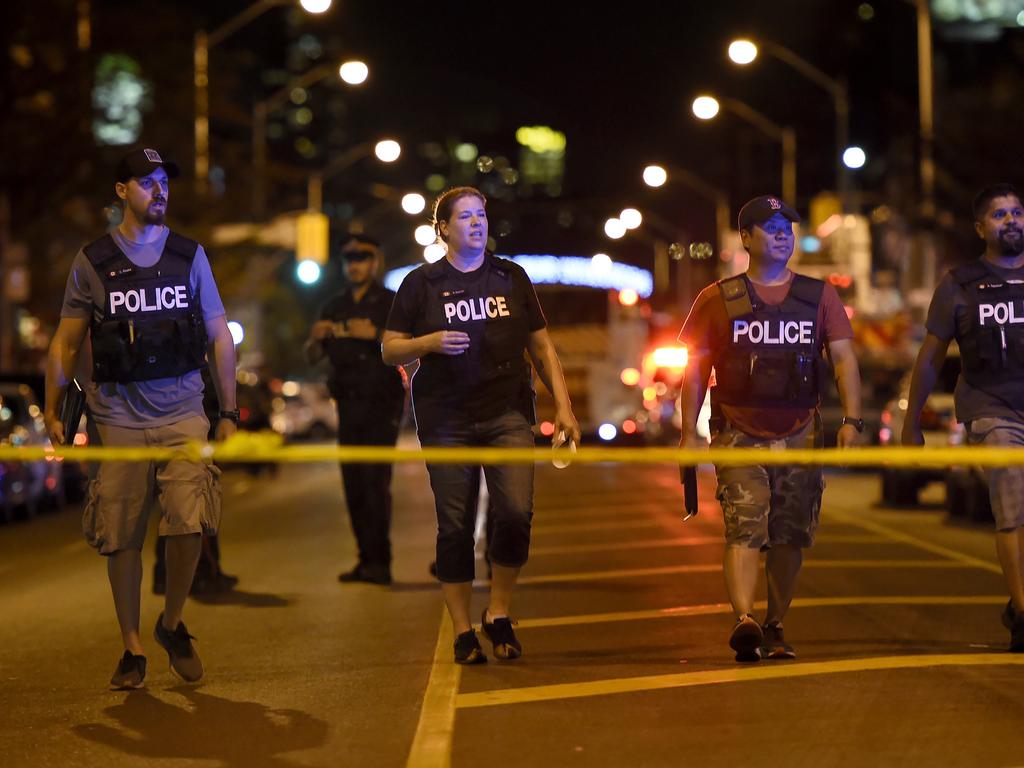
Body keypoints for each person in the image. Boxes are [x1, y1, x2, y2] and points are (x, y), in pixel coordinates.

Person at [44, 147, 237, 688]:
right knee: (122, 534)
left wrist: (229, 408)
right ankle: (131, 648)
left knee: (190, 519)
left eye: (164, 182)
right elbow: (65, 340)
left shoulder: (188, 254)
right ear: (122, 191)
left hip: (182, 410)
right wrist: (55, 407)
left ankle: (170, 623)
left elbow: (220, 335)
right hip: (118, 414)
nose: (160, 191)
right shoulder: (94, 260)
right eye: (147, 183)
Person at [382, 186, 579, 664]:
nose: (476, 223)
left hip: (507, 413)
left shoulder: (511, 277)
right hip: (445, 416)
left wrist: (565, 409)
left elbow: (542, 347)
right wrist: (426, 342)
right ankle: (462, 629)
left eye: (481, 215)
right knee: (455, 524)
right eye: (465, 217)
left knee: (514, 513)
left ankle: (499, 611)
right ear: (444, 228)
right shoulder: (421, 283)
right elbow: (389, 348)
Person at [678, 195, 862, 662]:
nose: (782, 233)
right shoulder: (717, 298)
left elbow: (843, 360)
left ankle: (775, 622)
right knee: (745, 525)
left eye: (787, 226)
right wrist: (687, 434)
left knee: (790, 532)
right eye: (769, 226)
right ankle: (745, 619)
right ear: (745, 238)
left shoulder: (819, 296)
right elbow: (695, 370)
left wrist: (852, 421)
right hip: (738, 428)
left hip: (802, 428)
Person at [902, 183, 1024, 653]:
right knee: (1012, 503)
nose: (1010, 221)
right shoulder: (960, 284)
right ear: (981, 228)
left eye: (1016, 212)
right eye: (999, 215)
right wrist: (912, 423)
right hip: (992, 408)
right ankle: (1023, 611)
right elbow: (930, 357)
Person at [306, 234, 405, 585]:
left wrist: (376, 334)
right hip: (347, 403)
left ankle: (381, 562)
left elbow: (407, 348)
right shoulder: (334, 305)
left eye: (362, 259)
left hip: (381, 402)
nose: (356, 266)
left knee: (375, 484)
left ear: (375, 262)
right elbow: (313, 356)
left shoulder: (390, 302)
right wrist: (317, 336)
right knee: (353, 486)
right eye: (350, 260)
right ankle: (365, 560)